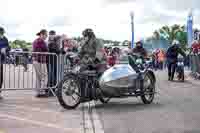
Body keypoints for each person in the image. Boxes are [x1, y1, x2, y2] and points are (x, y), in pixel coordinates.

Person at [32, 29, 49, 97]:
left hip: (36, 60)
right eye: (46, 35)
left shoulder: (35, 41)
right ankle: (42, 91)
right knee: (44, 76)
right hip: (41, 61)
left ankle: (38, 92)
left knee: (38, 77)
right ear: (42, 34)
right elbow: (46, 49)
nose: (46, 37)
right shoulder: (41, 41)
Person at [47, 30, 60, 96]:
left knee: (54, 76)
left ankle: (52, 90)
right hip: (50, 61)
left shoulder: (54, 42)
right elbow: (56, 50)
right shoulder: (50, 43)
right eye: (52, 35)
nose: (53, 36)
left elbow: (58, 50)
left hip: (54, 61)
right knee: (51, 76)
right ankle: (49, 90)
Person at [0, 27, 9, 99]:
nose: (2, 34)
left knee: (0, 77)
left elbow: (9, 47)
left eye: (3, 32)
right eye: (1, 32)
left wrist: (5, 48)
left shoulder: (5, 38)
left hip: (1, 60)